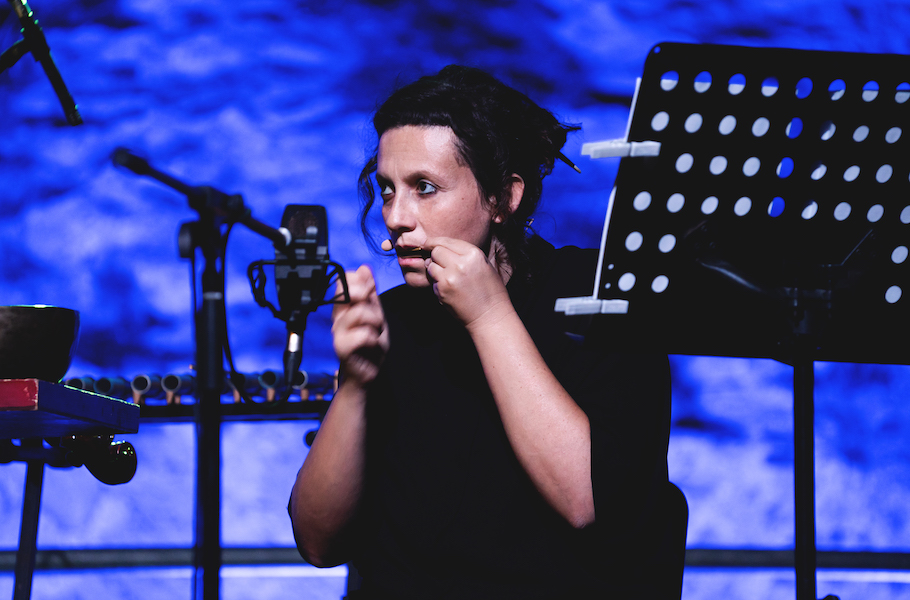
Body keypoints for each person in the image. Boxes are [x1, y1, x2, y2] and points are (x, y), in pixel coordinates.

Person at [289, 64, 677, 599]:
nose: (396, 216)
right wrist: (355, 385)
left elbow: (587, 501)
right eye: (387, 190)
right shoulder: (392, 320)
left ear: (504, 198)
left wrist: (488, 316)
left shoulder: (600, 299)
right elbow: (316, 543)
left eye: (424, 188)